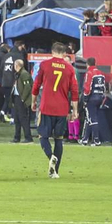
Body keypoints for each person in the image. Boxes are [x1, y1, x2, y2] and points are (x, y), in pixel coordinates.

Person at [32, 41, 80, 177]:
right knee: (58, 139)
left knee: (43, 136)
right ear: (64, 53)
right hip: (62, 108)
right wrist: (75, 110)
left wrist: (34, 101)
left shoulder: (45, 65)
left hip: (46, 106)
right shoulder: (69, 68)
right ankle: (55, 172)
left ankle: (50, 156)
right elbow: (75, 90)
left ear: (52, 52)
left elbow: (37, 84)